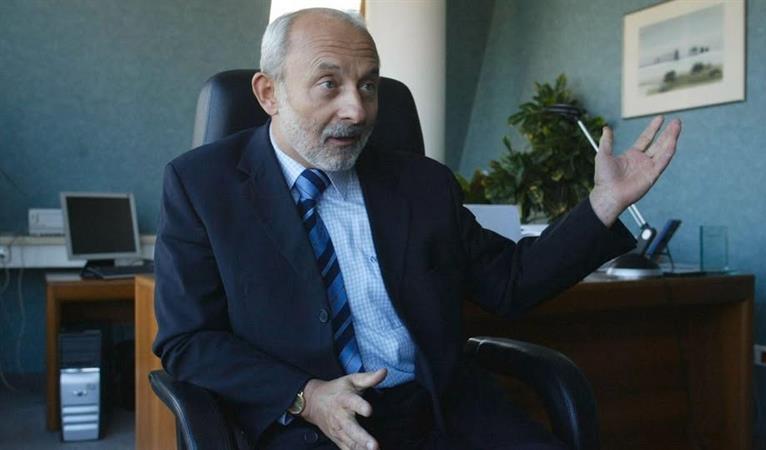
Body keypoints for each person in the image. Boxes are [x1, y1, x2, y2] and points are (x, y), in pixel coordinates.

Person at [153, 7, 681, 450]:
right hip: (307, 424)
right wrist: (305, 395)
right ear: (269, 93)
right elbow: (188, 341)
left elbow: (511, 281)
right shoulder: (202, 186)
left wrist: (604, 203)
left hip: (440, 409)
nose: (356, 110)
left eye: (368, 85)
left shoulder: (422, 184)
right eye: (329, 84)